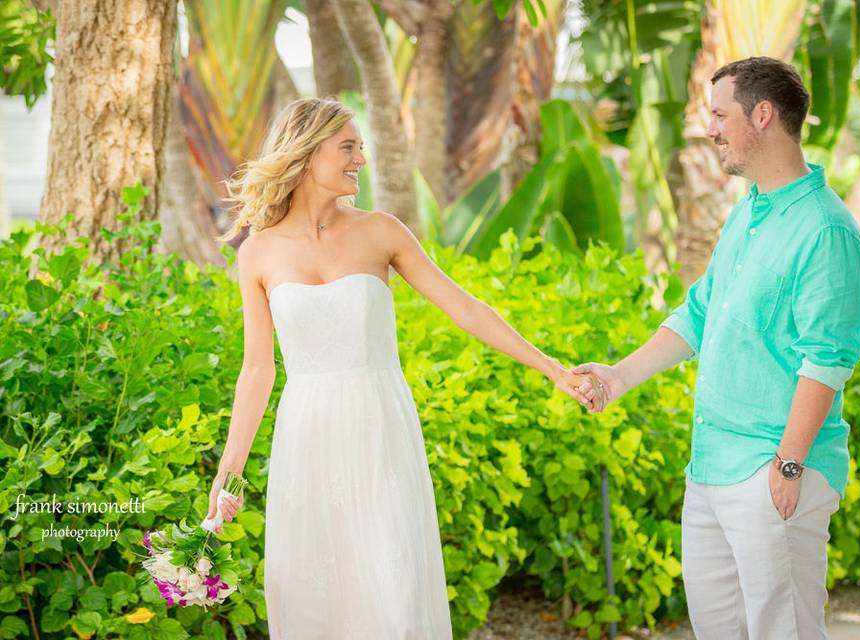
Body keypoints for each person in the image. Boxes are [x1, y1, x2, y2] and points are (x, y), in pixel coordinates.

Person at [201, 97, 601, 638]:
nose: (360, 160)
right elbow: (258, 370)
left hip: (379, 428)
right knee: (314, 589)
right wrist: (230, 472)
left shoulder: (381, 232)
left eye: (361, 148)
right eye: (348, 148)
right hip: (307, 436)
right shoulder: (259, 253)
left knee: (391, 582)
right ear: (308, 152)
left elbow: (466, 308)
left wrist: (550, 367)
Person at [576, 57, 860, 639]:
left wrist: (788, 464)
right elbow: (699, 313)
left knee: (781, 631)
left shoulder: (825, 229)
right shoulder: (748, 214)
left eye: (719, 114)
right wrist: (619, 376)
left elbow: (829, 359)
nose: (710, 129)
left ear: (762, 115)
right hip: (710, 466)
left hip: (773, 470)